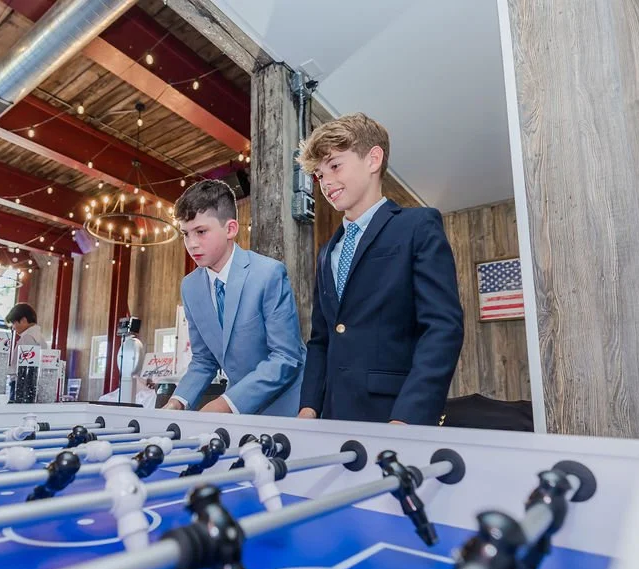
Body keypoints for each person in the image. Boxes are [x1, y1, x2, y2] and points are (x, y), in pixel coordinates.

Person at [297, 113, 463, 425]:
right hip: (332, 416)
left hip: (395, 415)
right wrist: (309, 407)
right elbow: (321, 339)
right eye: (319, 175)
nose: (326, 182)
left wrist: (408, 416)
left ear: (373, 159)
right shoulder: (326, 252)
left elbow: (442, 328)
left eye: (334, 166)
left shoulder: (417, 226)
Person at [163, 179, 305, 416]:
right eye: (186, 234)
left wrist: (226, 403)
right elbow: (203, 360)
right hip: (238, 411)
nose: (191, 244)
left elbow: (286, 357)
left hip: (288, 407)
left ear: (230, 229)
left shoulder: (268, 273)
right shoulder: (190, 287)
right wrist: (177, 401)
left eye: (201, 232)